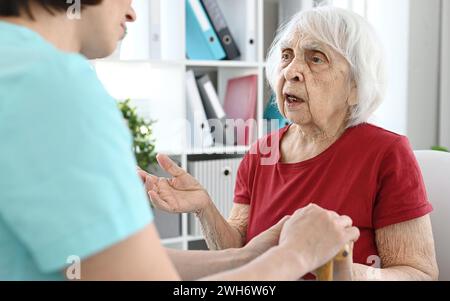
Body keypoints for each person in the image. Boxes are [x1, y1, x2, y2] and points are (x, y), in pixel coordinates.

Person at [0, 0, 359, 280]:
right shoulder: (53, 86)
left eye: (316, 59)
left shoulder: (19, 66)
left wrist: (249, 256)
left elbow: (109, 267)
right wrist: (294, 257)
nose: (133, 12)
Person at [145, 6, 439, 280]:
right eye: (287, 55)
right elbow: (240, 254)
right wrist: (204, 208)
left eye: (315, 58)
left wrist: (345, 270)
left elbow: (419, 273)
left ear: (356, 87)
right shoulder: (261, 153)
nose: (290, 71)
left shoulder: (387, 153)